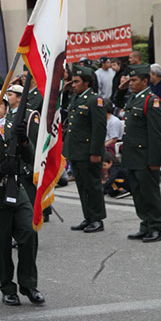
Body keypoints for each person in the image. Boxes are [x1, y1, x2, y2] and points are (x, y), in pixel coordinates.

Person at [0, 89, 44, 306]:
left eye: (1, 104)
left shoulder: (15, 127)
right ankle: (7, 288)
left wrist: (24, 141)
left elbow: (31, 156)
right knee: (1, 243)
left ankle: (29, 284)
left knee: (29, 232)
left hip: (18, 188)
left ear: (6, 106)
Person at [63, 65, 107, 233]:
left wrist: (95, 152)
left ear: (87, 83)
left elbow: (99, 129)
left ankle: (97, 219)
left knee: (93, 186)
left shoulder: (95, 100)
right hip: (76, 151)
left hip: (88, 152)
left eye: (76, 82)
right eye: (72, 81)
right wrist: (66, 91)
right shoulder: (76, 98)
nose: (73, 84)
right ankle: (88, 216)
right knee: (82, 186)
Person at [121, 65, 161, 243]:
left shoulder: (151, 101)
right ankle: (145, 224)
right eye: (130, 80)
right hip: (132, 156)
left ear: (145, 81)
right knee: (137, 193)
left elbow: (156, 134)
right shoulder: (132, 99)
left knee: (149, 193)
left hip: (145, 157)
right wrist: (120, 89)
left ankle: (156, 227)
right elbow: (116, 102)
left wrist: (155, 160)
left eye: (134, 80)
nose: (131, 83)